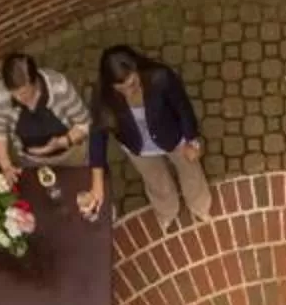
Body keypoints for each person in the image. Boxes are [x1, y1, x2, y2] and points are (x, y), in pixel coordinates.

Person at [82, 45, 214, 228]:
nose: (129, 92)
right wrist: (97, 182)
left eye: (132, 84)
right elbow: (97, 134)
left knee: (190, 170)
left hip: (173, 137)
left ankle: (200, 206)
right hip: (137, 146)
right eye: (121, 88)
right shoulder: (102, 97)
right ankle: (167, 211)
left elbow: (182, 108)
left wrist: (192, 140)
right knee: (155, 180)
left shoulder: (160, 77)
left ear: (138, 69)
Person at [0, 51, 91, 177]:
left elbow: (84, 123)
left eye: (24, 92)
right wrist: (6, 165)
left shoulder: (59, 86)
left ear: (35, 81)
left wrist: (63, 142)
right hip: (31, 161)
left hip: (71, 155)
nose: (19, 98)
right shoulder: (1, 95)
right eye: (14, 93)